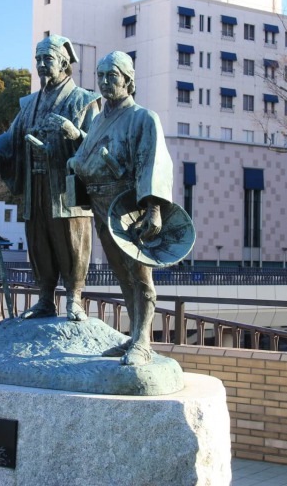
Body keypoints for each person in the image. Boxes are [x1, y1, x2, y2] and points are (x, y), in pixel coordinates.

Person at [0, 35, 100, 321]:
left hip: (66, 187)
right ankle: (45, 297)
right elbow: (11, 137)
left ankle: (74, 297)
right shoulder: (30, 103)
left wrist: (75, 135)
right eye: (38, 59)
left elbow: (97, 144)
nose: (42, 64)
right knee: (38, 238)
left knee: (71, 239)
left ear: (64, 63)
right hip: (35, 183)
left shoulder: (84, 101)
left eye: (48, 59)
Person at [69, 51, 173, 366]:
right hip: (101, 207)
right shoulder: (98, 120)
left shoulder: (143, 118)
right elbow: (86, 157)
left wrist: (153, 208)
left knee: (140, 275)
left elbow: (153, 164)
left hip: (129, 207)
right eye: (100, 76)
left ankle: (143, 341)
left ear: (128, 80)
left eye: (111, 75)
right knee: (122, 275)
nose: (104, 82)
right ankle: (134, 336)